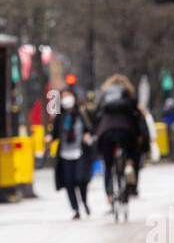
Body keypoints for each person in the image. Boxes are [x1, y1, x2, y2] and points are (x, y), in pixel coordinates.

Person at [94, 73, 149, 204]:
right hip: (126, 131)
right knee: (130, 149)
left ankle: (109, 194)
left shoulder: (105, 96)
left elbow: (96, 115)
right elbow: (137, 117)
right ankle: (129, 164)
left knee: (108, 165)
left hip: (106, 132)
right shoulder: (128, 95)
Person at [51, 87, 94, 219]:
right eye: (63, 96)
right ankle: (75, 209)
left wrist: (87, 135)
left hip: (80, 152)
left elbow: (90, 128)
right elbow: (54, 134)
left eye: (68, 95)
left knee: (81, 180)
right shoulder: (59, 117)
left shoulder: (82, 113)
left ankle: (84, 202)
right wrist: (49, 137)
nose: (66, 99)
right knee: (69, 182)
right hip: (65, 154)